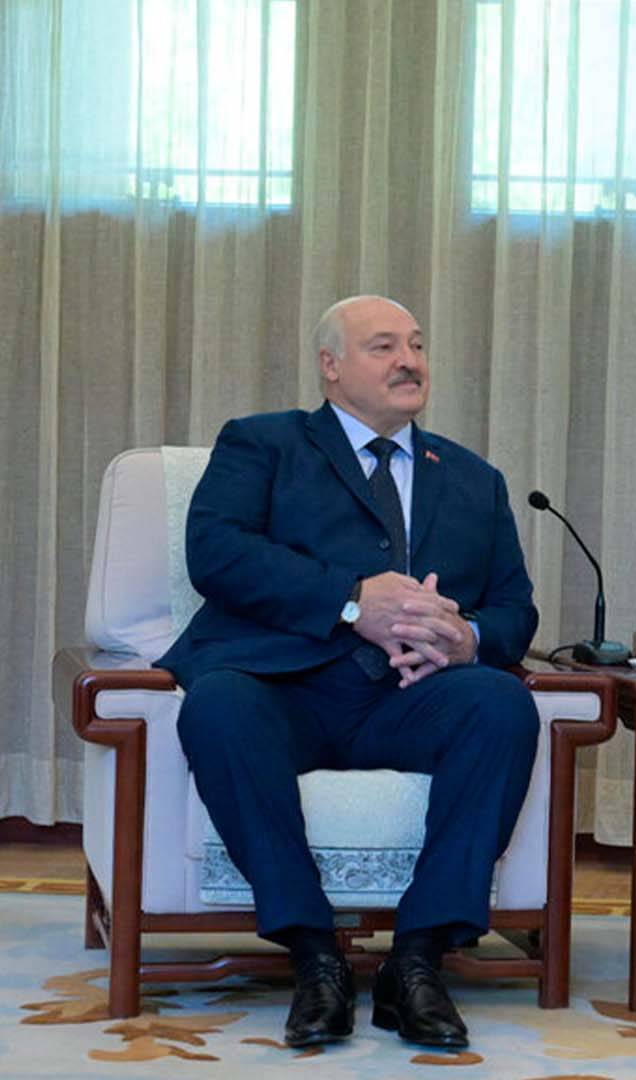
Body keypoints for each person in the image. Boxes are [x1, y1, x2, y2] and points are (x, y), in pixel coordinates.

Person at [157, 295, 541, 1051]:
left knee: (500, 705)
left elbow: (514, 608)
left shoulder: (475, 478)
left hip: (410, 698)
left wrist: (467, 638)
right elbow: (218, 554)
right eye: (384, 346)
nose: (409, 360)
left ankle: (418, 958)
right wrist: (351, 600)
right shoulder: (263, 444)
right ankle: (313, 955)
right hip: (282, 687)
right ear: (330, 366)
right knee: (218, 704)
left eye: (417, 345)